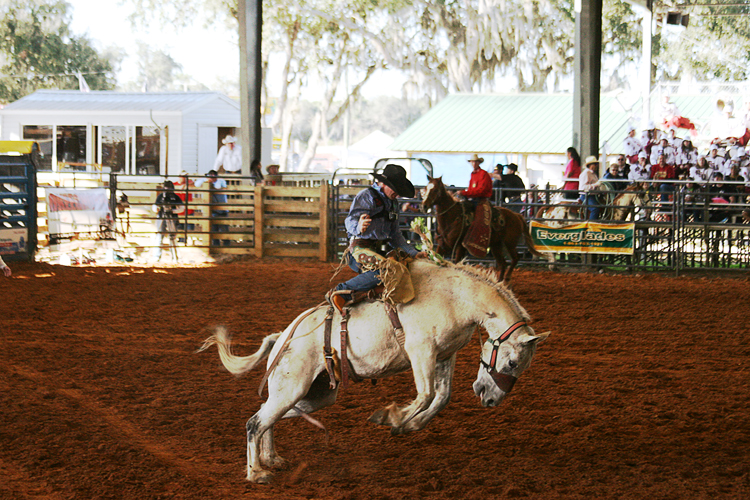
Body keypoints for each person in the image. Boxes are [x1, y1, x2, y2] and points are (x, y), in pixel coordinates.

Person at [330, 164, 426, 312]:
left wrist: (414, 253)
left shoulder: (393, 203)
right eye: (395, 189)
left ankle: (372, 294)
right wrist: (359, 226)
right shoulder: (367, 196)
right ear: (383, 184)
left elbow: (396, 235)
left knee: (405, 266)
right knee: (387, 269)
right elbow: (350, 220)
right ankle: (341, 291)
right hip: (359, 249)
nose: (397, 194)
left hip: (380, 251)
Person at [194, 170, 229, 245]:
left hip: (222, 210)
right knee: (213, 229)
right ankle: (216, 245)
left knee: (224, 229)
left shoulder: (221, 181)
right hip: (211, 210)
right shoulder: (205, 181)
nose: (212, 178)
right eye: (211, 176)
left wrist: (210, 183)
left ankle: (226, 245)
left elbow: (218, 187)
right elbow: (196, 184)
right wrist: (206, 180)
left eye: (213, 176)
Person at [152, 180, 183, 262]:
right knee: (159, 236)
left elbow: (181, 207)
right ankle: (156, 257)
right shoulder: (161, 196)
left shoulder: (175, 197)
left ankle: (175, 257)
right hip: (162, 216)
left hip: (172, 217)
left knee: (172, 237)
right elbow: (155, 206)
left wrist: (173, 211)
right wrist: (157, 209)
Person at [579, 156, 602, 220]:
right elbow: (582, 187)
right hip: (586, 196)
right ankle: (591, 227)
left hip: (593, 195)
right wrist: (595, 185)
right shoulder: (585, 173)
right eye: (595, 164)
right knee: (595, 209)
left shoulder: (592, 174)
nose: (596, 166)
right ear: (590, 165)